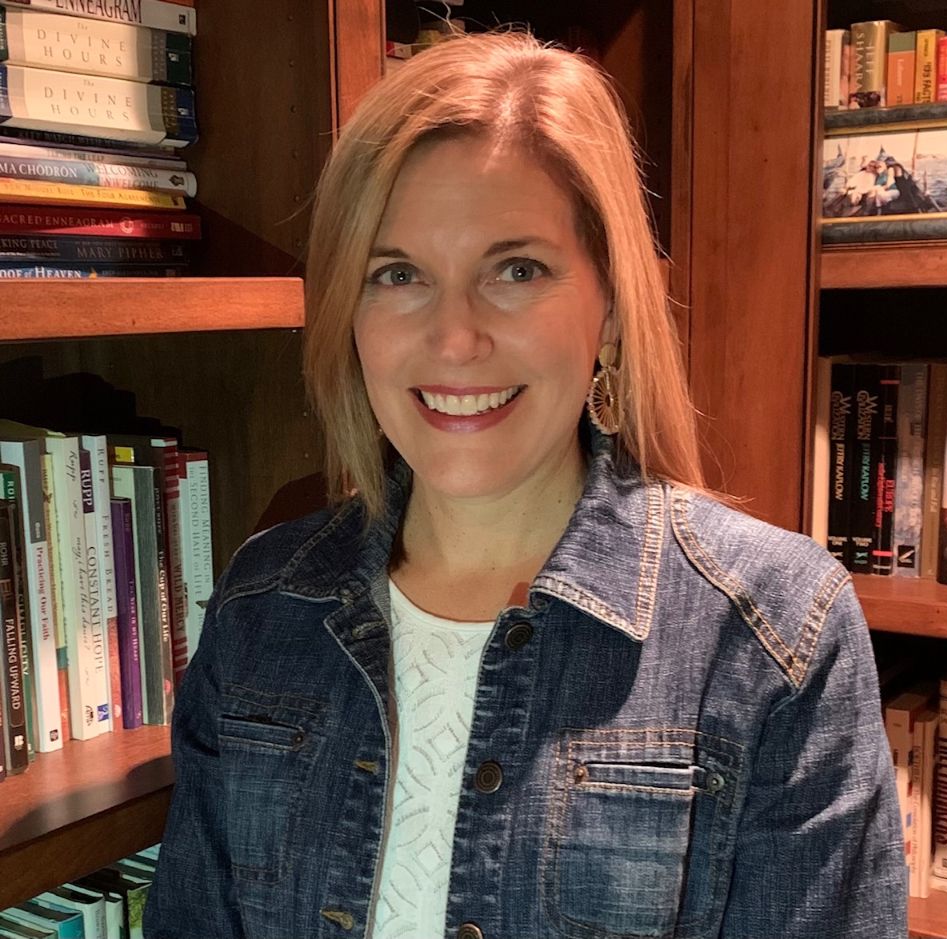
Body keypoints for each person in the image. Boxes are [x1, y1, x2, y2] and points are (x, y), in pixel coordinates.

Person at [143, 31, 906, 939]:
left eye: (516, 270)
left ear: (610, 306)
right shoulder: (262, 605)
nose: (455, 338)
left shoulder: (774, 633)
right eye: (398, 274)